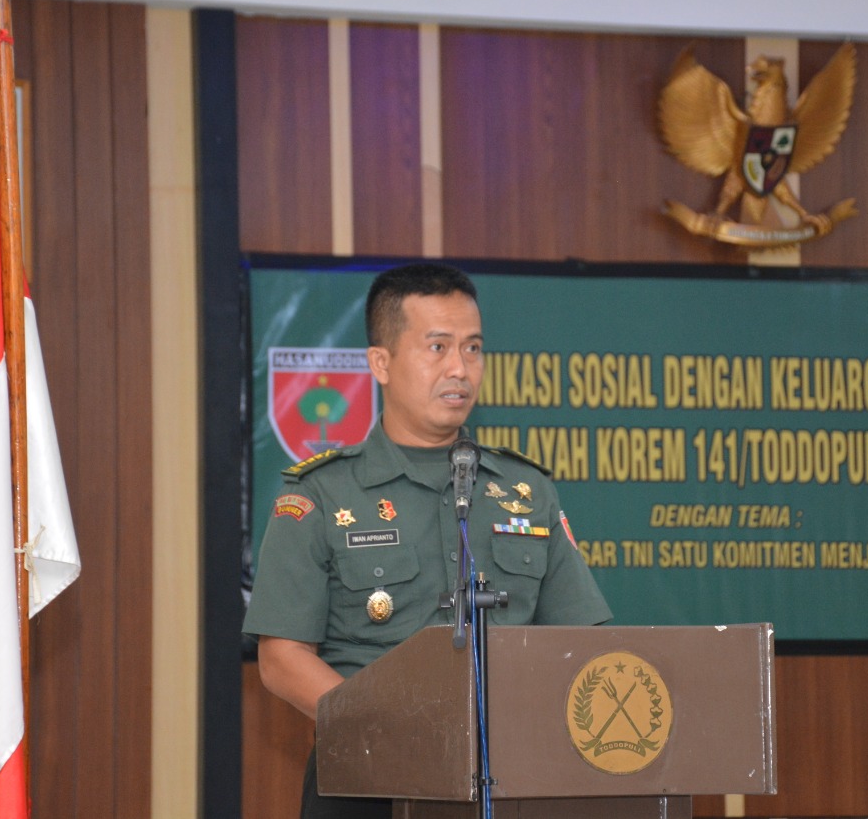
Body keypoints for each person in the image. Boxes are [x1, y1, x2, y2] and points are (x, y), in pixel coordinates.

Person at [243, 262, 611, 819]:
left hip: (511, 779)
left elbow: (584, 641)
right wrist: (390, 730)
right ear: (381, 363)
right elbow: (281, 658)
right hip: (368, 781)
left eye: (472, 348)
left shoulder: (526, 490)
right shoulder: (319, 493)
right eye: (437, 347)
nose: (459, 368)